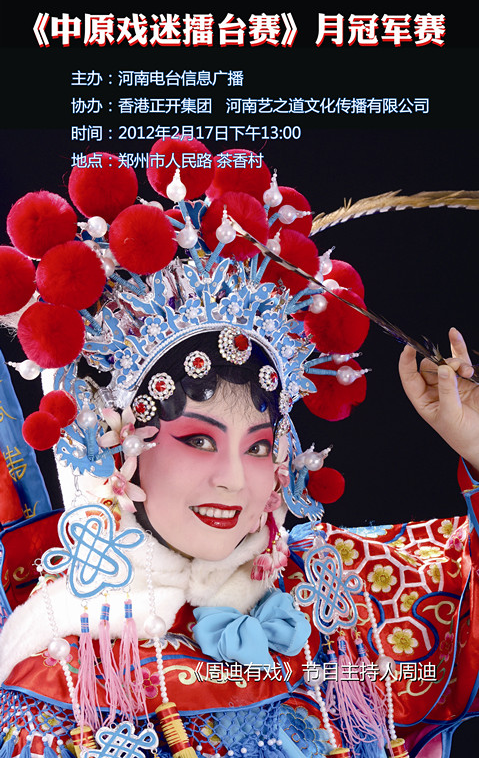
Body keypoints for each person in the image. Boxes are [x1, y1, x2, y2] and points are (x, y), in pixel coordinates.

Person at [0, 138, 478, 758]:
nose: (234, 479)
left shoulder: (335, 594)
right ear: (118, 451)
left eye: (257, 448)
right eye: (199, 439)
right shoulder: (65, 680)